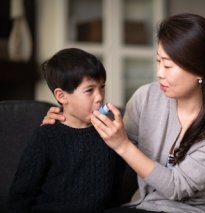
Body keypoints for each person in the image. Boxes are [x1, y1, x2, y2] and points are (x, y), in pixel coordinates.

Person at [42, 13, 205, 213]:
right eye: (158, 61)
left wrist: (122, 145)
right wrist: (67, 125)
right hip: (144, 206)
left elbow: (177, 187)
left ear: (199, 70)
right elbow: (106, 149)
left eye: (168, 65)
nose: (159, 73)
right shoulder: (147, 97)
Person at [6, 48, 120, 213]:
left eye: (102, 87)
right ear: (61, 96)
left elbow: (115, 187)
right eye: (89, 90)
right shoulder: (46, 136)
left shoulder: (110, 134)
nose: (100, 96)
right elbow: (21, 194)